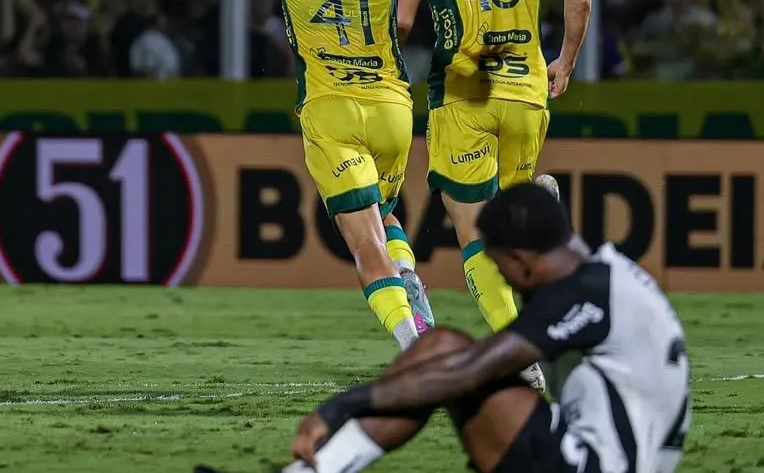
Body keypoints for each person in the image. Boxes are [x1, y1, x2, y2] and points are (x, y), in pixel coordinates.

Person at [204, 0, 514, 350]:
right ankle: (410, 280)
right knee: (385, 215)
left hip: (330, 112)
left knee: (364, 245)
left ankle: (416, 343)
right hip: (392, 111)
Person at [196, 182, 691, 473]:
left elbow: (469, 370)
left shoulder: (582, 294)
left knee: (450, 352)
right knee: (447, 351)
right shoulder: (609, 276)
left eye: (499, 268)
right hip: (597, 452)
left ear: (521, 260)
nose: (504, 281)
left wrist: (341, 406)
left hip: (594, 466)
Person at [394, 0, 593, 387]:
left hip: (465, 94)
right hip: (528, 95)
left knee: (475, 235)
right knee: (512, 230)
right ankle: (535, 218)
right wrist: (565, 64)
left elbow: (405, 22)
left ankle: (524, 357)